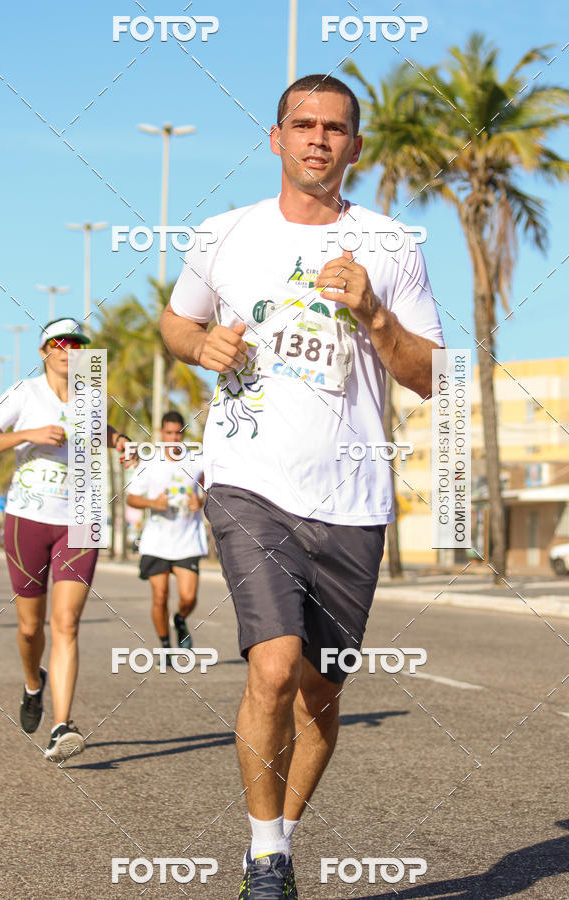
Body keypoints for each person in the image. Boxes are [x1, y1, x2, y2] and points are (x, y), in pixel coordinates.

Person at [160, 73, 444, 899]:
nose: (319, 139)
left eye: (336, 128)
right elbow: (177, 320)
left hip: (352, 496)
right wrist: (200, 344)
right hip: (249, 480)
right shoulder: (223, 235)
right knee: (275, 666)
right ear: (276, 136)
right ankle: (266, 856)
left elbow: (434, 377)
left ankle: (278, 836)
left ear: (354, 146)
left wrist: (377, 320)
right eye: (304, 124)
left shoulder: (392, 246)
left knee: (321, 691)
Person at [0, 317, 132, 761]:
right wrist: (29, 434)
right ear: (45, 352)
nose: (69, 350)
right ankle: (32, 683)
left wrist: (122, 443)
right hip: (27, 518)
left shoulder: (92, 397)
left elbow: (102, 432)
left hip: (82, 517)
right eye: (60, 343)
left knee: (66, 623)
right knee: (28, 628)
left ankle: (62, 725)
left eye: (77, 344)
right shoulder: (24, 394)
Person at [126, 410, 207, 663]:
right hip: (157, 542)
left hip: (187, 540)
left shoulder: (196, 460)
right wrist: (153, 502)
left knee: (188, 597)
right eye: (168, 433)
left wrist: (200, 499)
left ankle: (180, 620)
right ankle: (165, 647)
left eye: (177, 433)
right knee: (159, 595)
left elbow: (211, 488)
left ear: (183, 433)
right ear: (162, 433)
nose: (173, 438)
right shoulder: (150, 463)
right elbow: (131, 498)